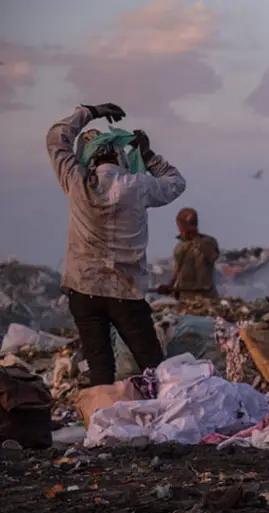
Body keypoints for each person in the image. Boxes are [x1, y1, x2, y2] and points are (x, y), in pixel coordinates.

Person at [46, 103, 186, 386]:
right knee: (153, 365)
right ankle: (165, 416)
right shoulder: (138, 185)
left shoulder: (76, 181)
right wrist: (147, 155)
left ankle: (104, 422)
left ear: (89, 159)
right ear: (120, 157)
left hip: (83, 290)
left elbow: (56, 137)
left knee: (100, 368)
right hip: (126, 292)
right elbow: (175, 183)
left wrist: (90, 111)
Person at [157, 208, 219, 300]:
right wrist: (169, 286)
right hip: (185, 297)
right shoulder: (180, 247)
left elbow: (213, 256)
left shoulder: (207, 242)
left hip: (205, 297)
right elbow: (177, 270)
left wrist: (195, 238)